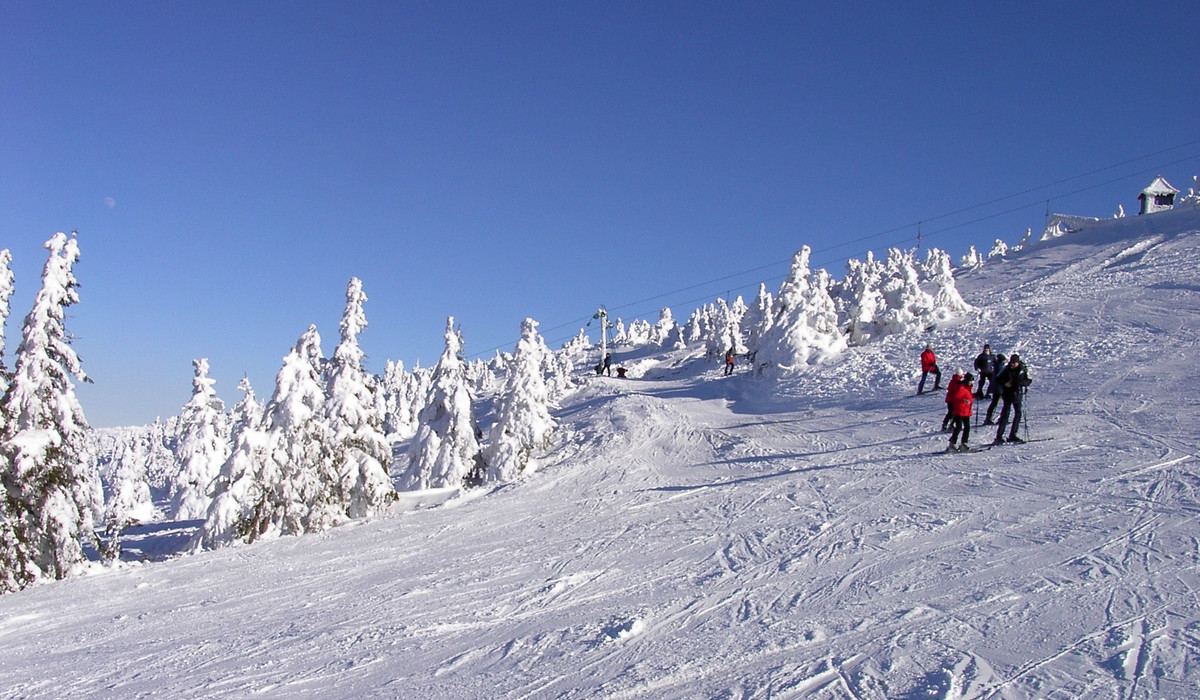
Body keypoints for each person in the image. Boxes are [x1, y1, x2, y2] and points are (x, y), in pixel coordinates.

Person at [992, 354, 1032, 444]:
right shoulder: (1006, 369)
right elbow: (998, 378)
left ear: (1018, 362)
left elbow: (1029, 380)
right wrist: (1005, 383)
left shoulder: (1023, 369)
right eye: (1011, 362)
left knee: (1018, 414)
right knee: (1005, 414)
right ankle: (999, 436)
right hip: (1007, 394)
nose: (1012, 364)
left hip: (1017, 394)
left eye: (1014, 363)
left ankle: (1013, 435)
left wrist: (1020, 383)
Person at [947, 373, 975, 452]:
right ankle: (952, 443)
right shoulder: (962, 387)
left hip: (966, 411)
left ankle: (964, 443)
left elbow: (968, 396)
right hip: (959, 410)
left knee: (967, 427)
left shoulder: (968, 388)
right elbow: (956, 397)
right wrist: (964, 400)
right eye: (970, 381)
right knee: (958, 427)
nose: (972, 383)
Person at [983, 353, 1006, 424]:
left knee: (994, 403)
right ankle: (1001, 418)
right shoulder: (1000, 366)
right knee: (1004, 403)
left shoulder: (996, 365)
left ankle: (988, 418)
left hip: (996, 387)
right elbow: (1001, 377)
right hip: (999, 388)